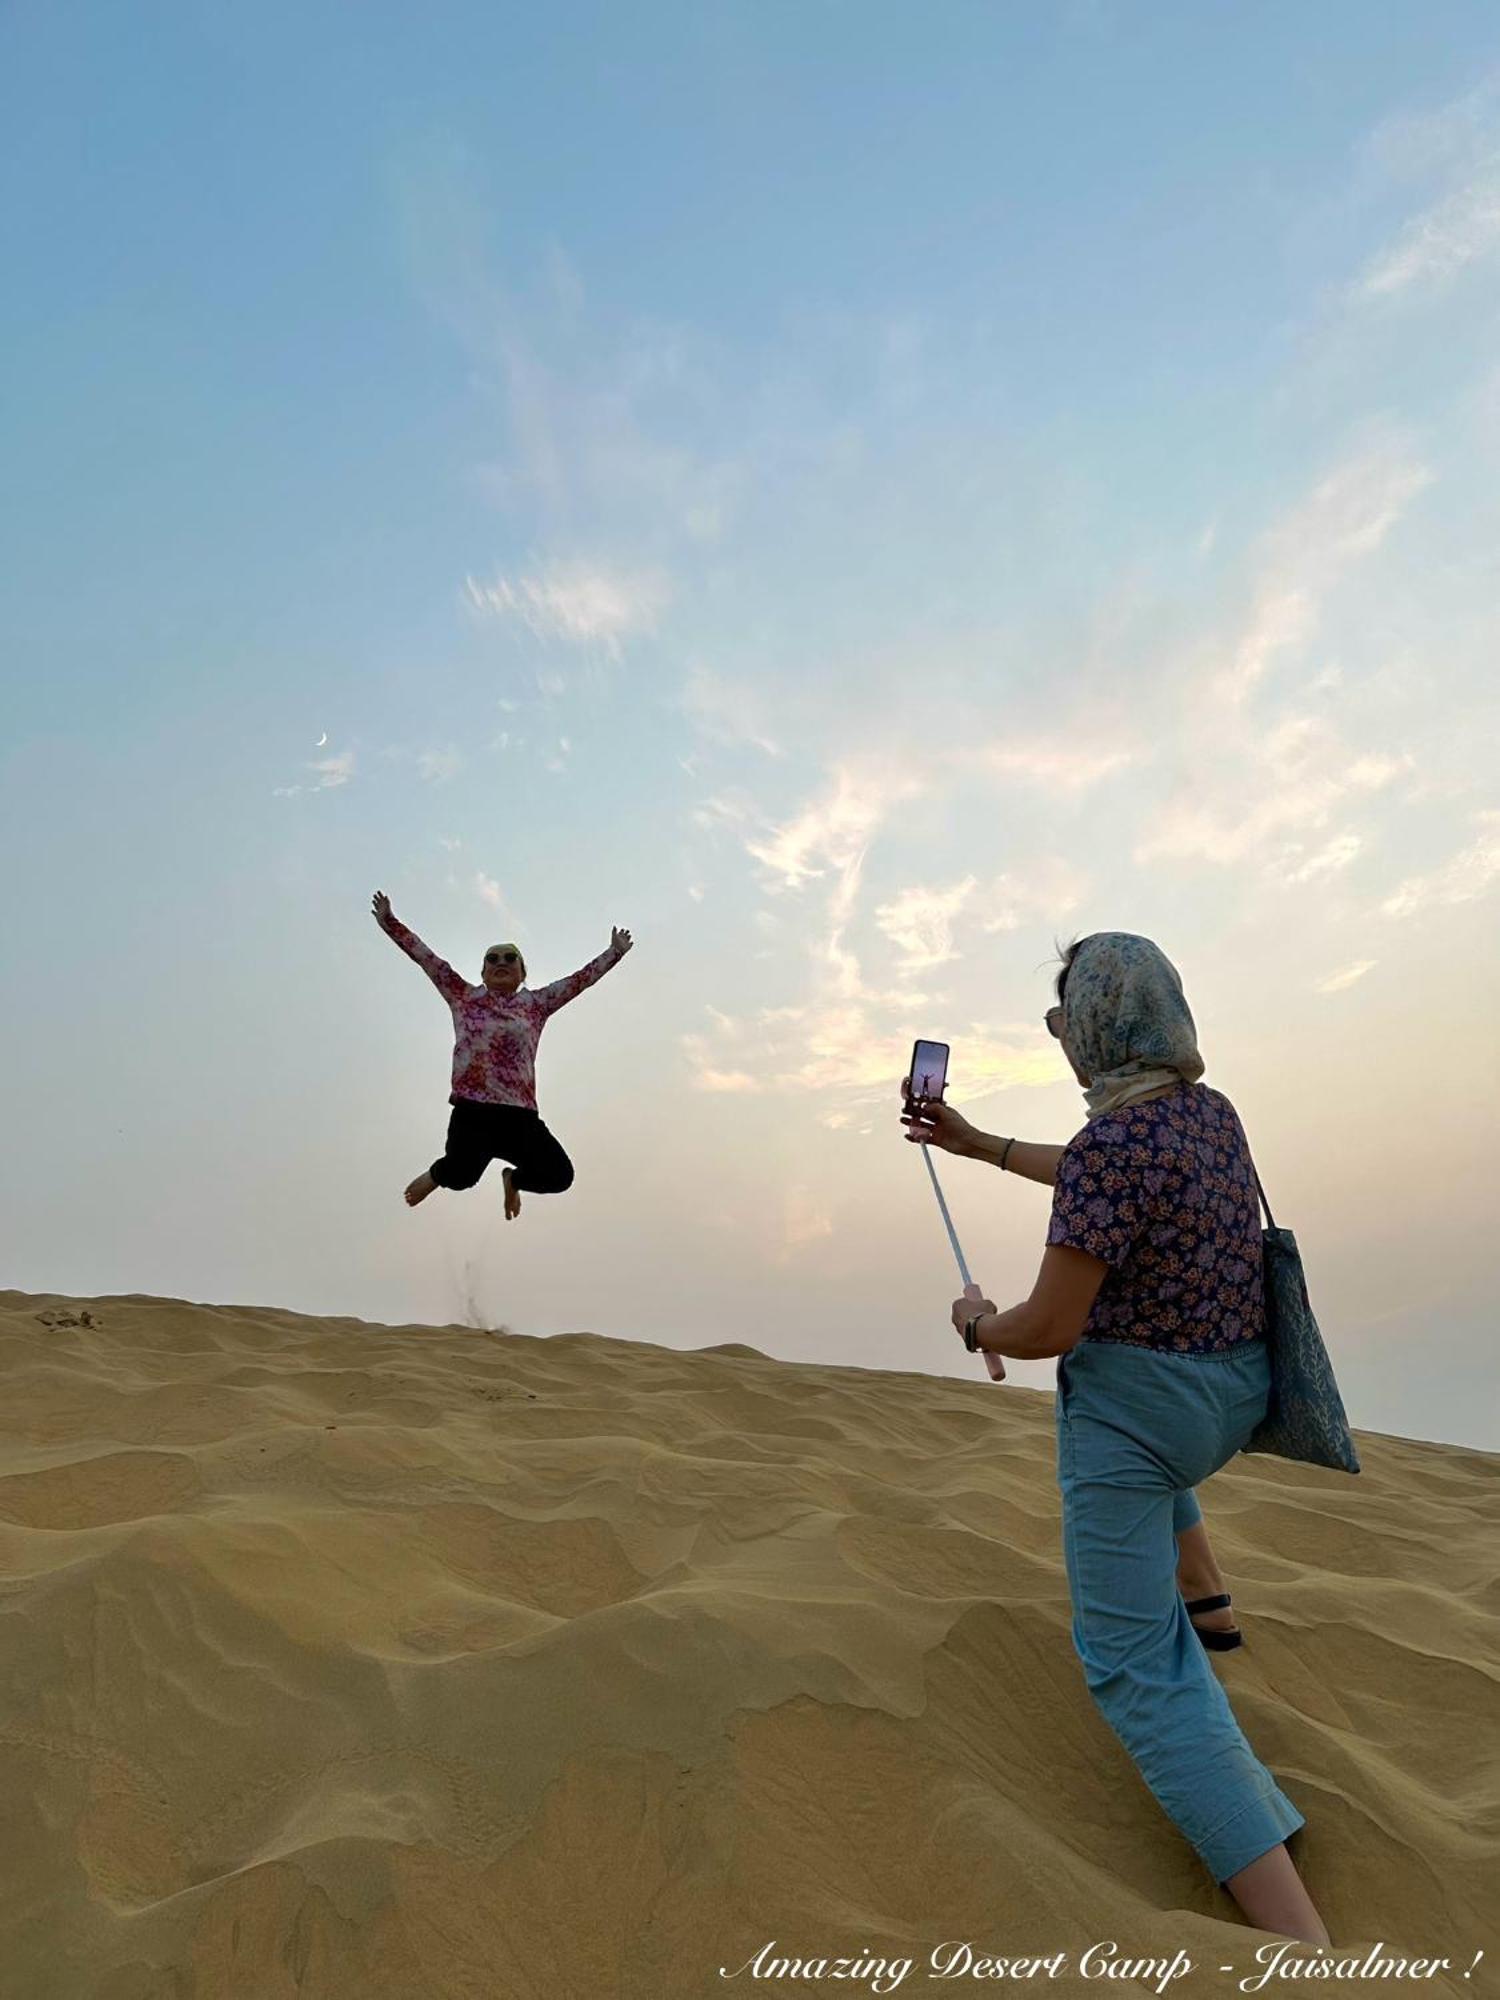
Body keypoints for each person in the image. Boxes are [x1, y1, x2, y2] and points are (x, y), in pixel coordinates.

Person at [901, 931, 1330, 1947]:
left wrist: (974, 1322)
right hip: (1234, 1397)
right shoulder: (1207, 1115)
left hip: (1143, 1422)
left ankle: (1303, 1941)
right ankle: (1210, 1598)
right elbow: (1109, 1179)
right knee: (1140, 1419)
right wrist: (976, 1143)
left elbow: (1047, 1329)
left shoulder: (1109, 1152)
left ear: (1092, 1030)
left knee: (1133, 1662)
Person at [371, 890, 632, 1219]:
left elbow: (579, 981)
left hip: (518, 1116)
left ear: (523, 973)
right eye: (492, 959)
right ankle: (435, 1175)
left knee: (559, 1175)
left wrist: (614, 953)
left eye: (510, 958)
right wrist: (389, 922)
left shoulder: (536, 1005)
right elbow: (426, 958)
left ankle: (514, 1179)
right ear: (482, 973)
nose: (501, 963)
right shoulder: (463, 996)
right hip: (473, 1112)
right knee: (461, 1176)